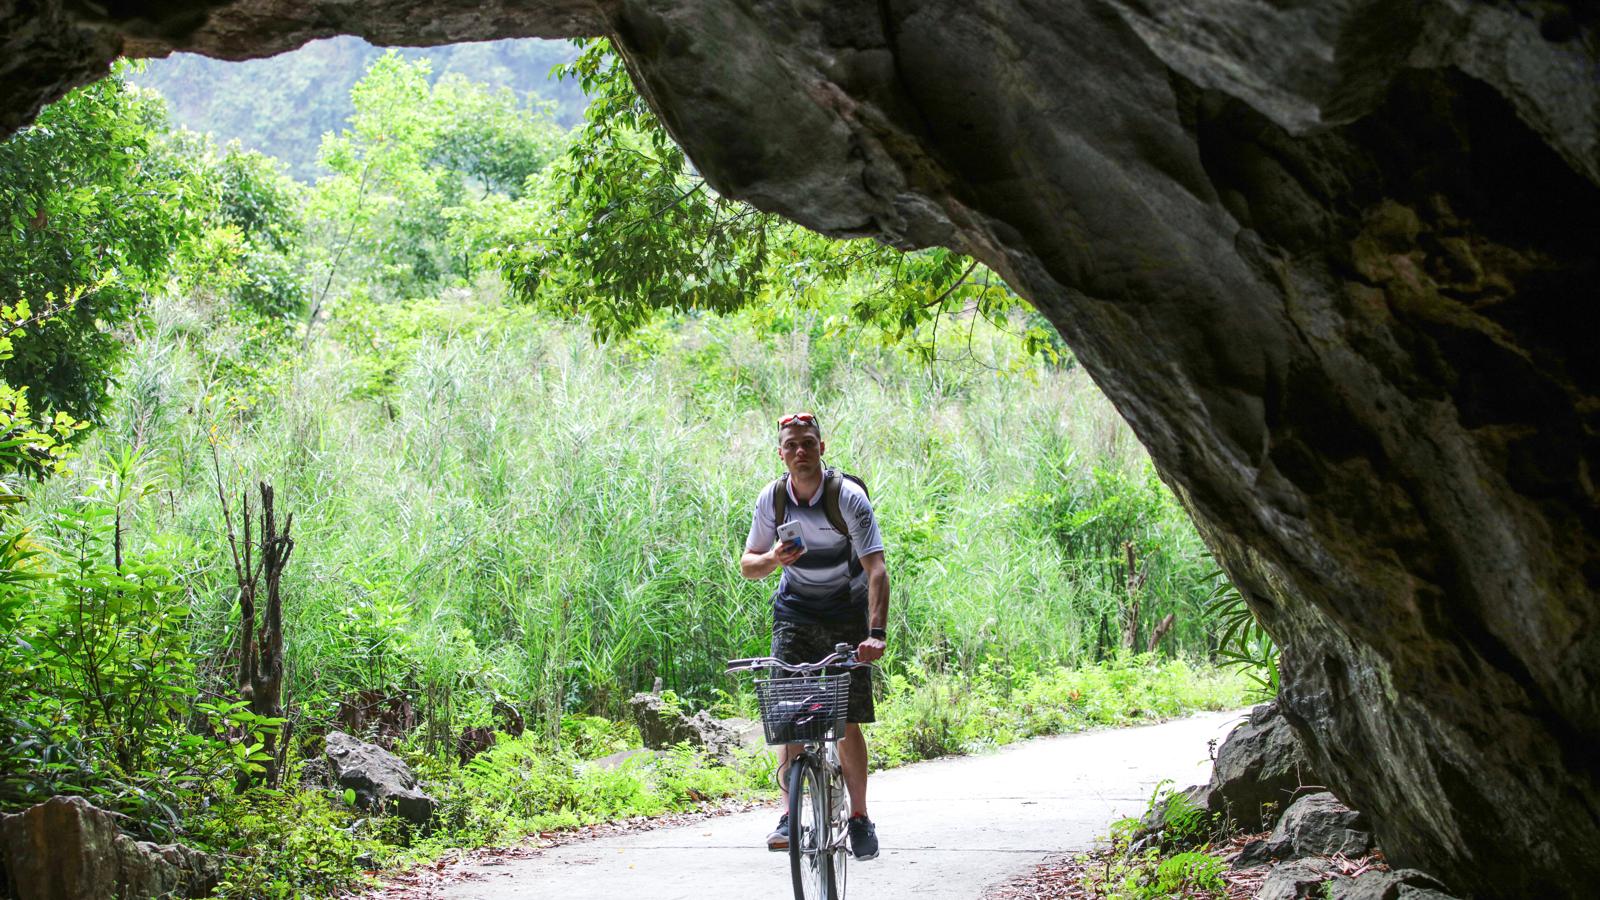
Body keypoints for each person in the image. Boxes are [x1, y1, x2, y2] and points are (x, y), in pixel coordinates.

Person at [740, 411, 889, 861]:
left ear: (821, 448)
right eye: (791, 445)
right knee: (788, 715)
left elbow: (877, 569)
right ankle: (789, 814)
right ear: (781, 453)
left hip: (847, 610)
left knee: (845, 720)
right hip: (795, 611)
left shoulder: (846, 498)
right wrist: (773, 558)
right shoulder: (773, 499)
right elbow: (748, 565)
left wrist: (876, 634)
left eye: (808, 443)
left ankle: (860, 817)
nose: (800, 451)